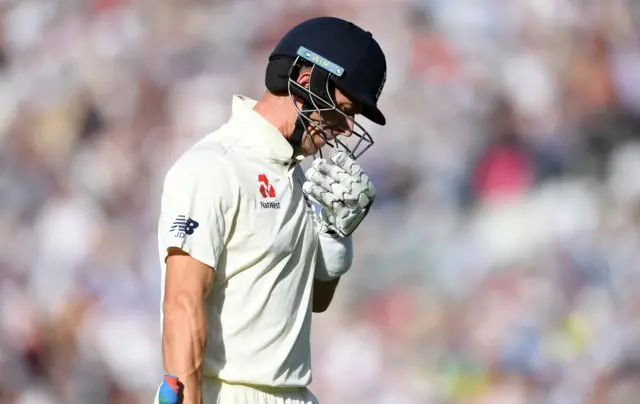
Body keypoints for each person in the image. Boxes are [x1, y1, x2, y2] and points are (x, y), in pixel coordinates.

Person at [155, 16, 388, 404]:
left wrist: (335, 239)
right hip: (224, 393)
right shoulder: (215, 166)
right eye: (343, 109)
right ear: (305, 78)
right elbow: (182, 301)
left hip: (294, 394)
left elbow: (312, 301)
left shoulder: (294, 176)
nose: (346, 127)